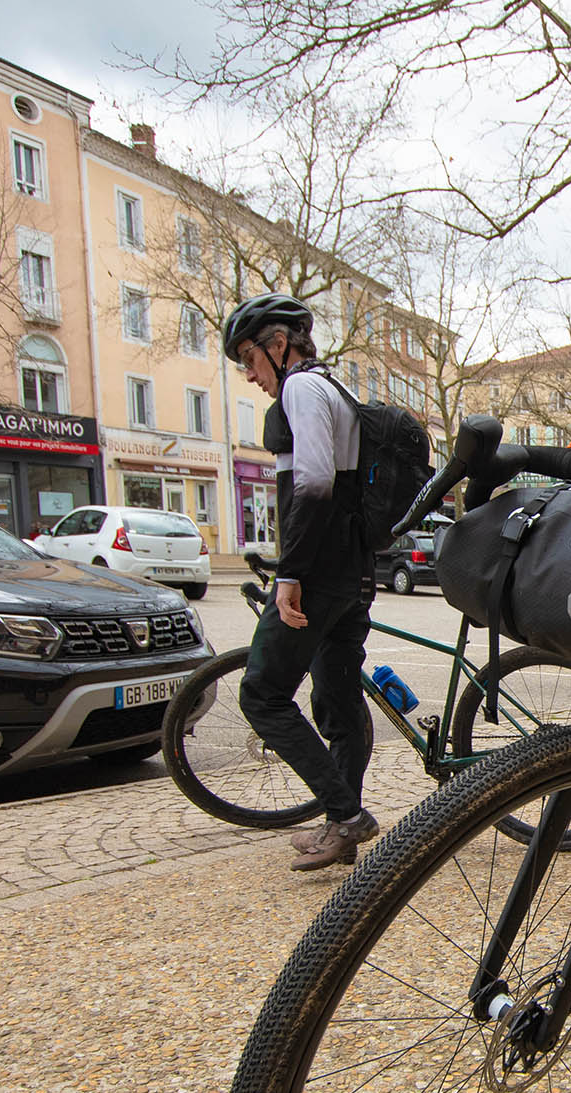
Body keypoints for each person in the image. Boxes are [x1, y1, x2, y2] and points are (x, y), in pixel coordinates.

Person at [222, 293, 379, 871]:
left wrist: (289, 575)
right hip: (354, 572)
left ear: (279, 344)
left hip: (317, 576)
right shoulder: (336, 390)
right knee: (338, 700)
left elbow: (312, 483)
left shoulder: (301, 388)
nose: (249, 372)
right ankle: (343, 824)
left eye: (250, 356)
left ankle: (346, 813)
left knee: (262, 694)